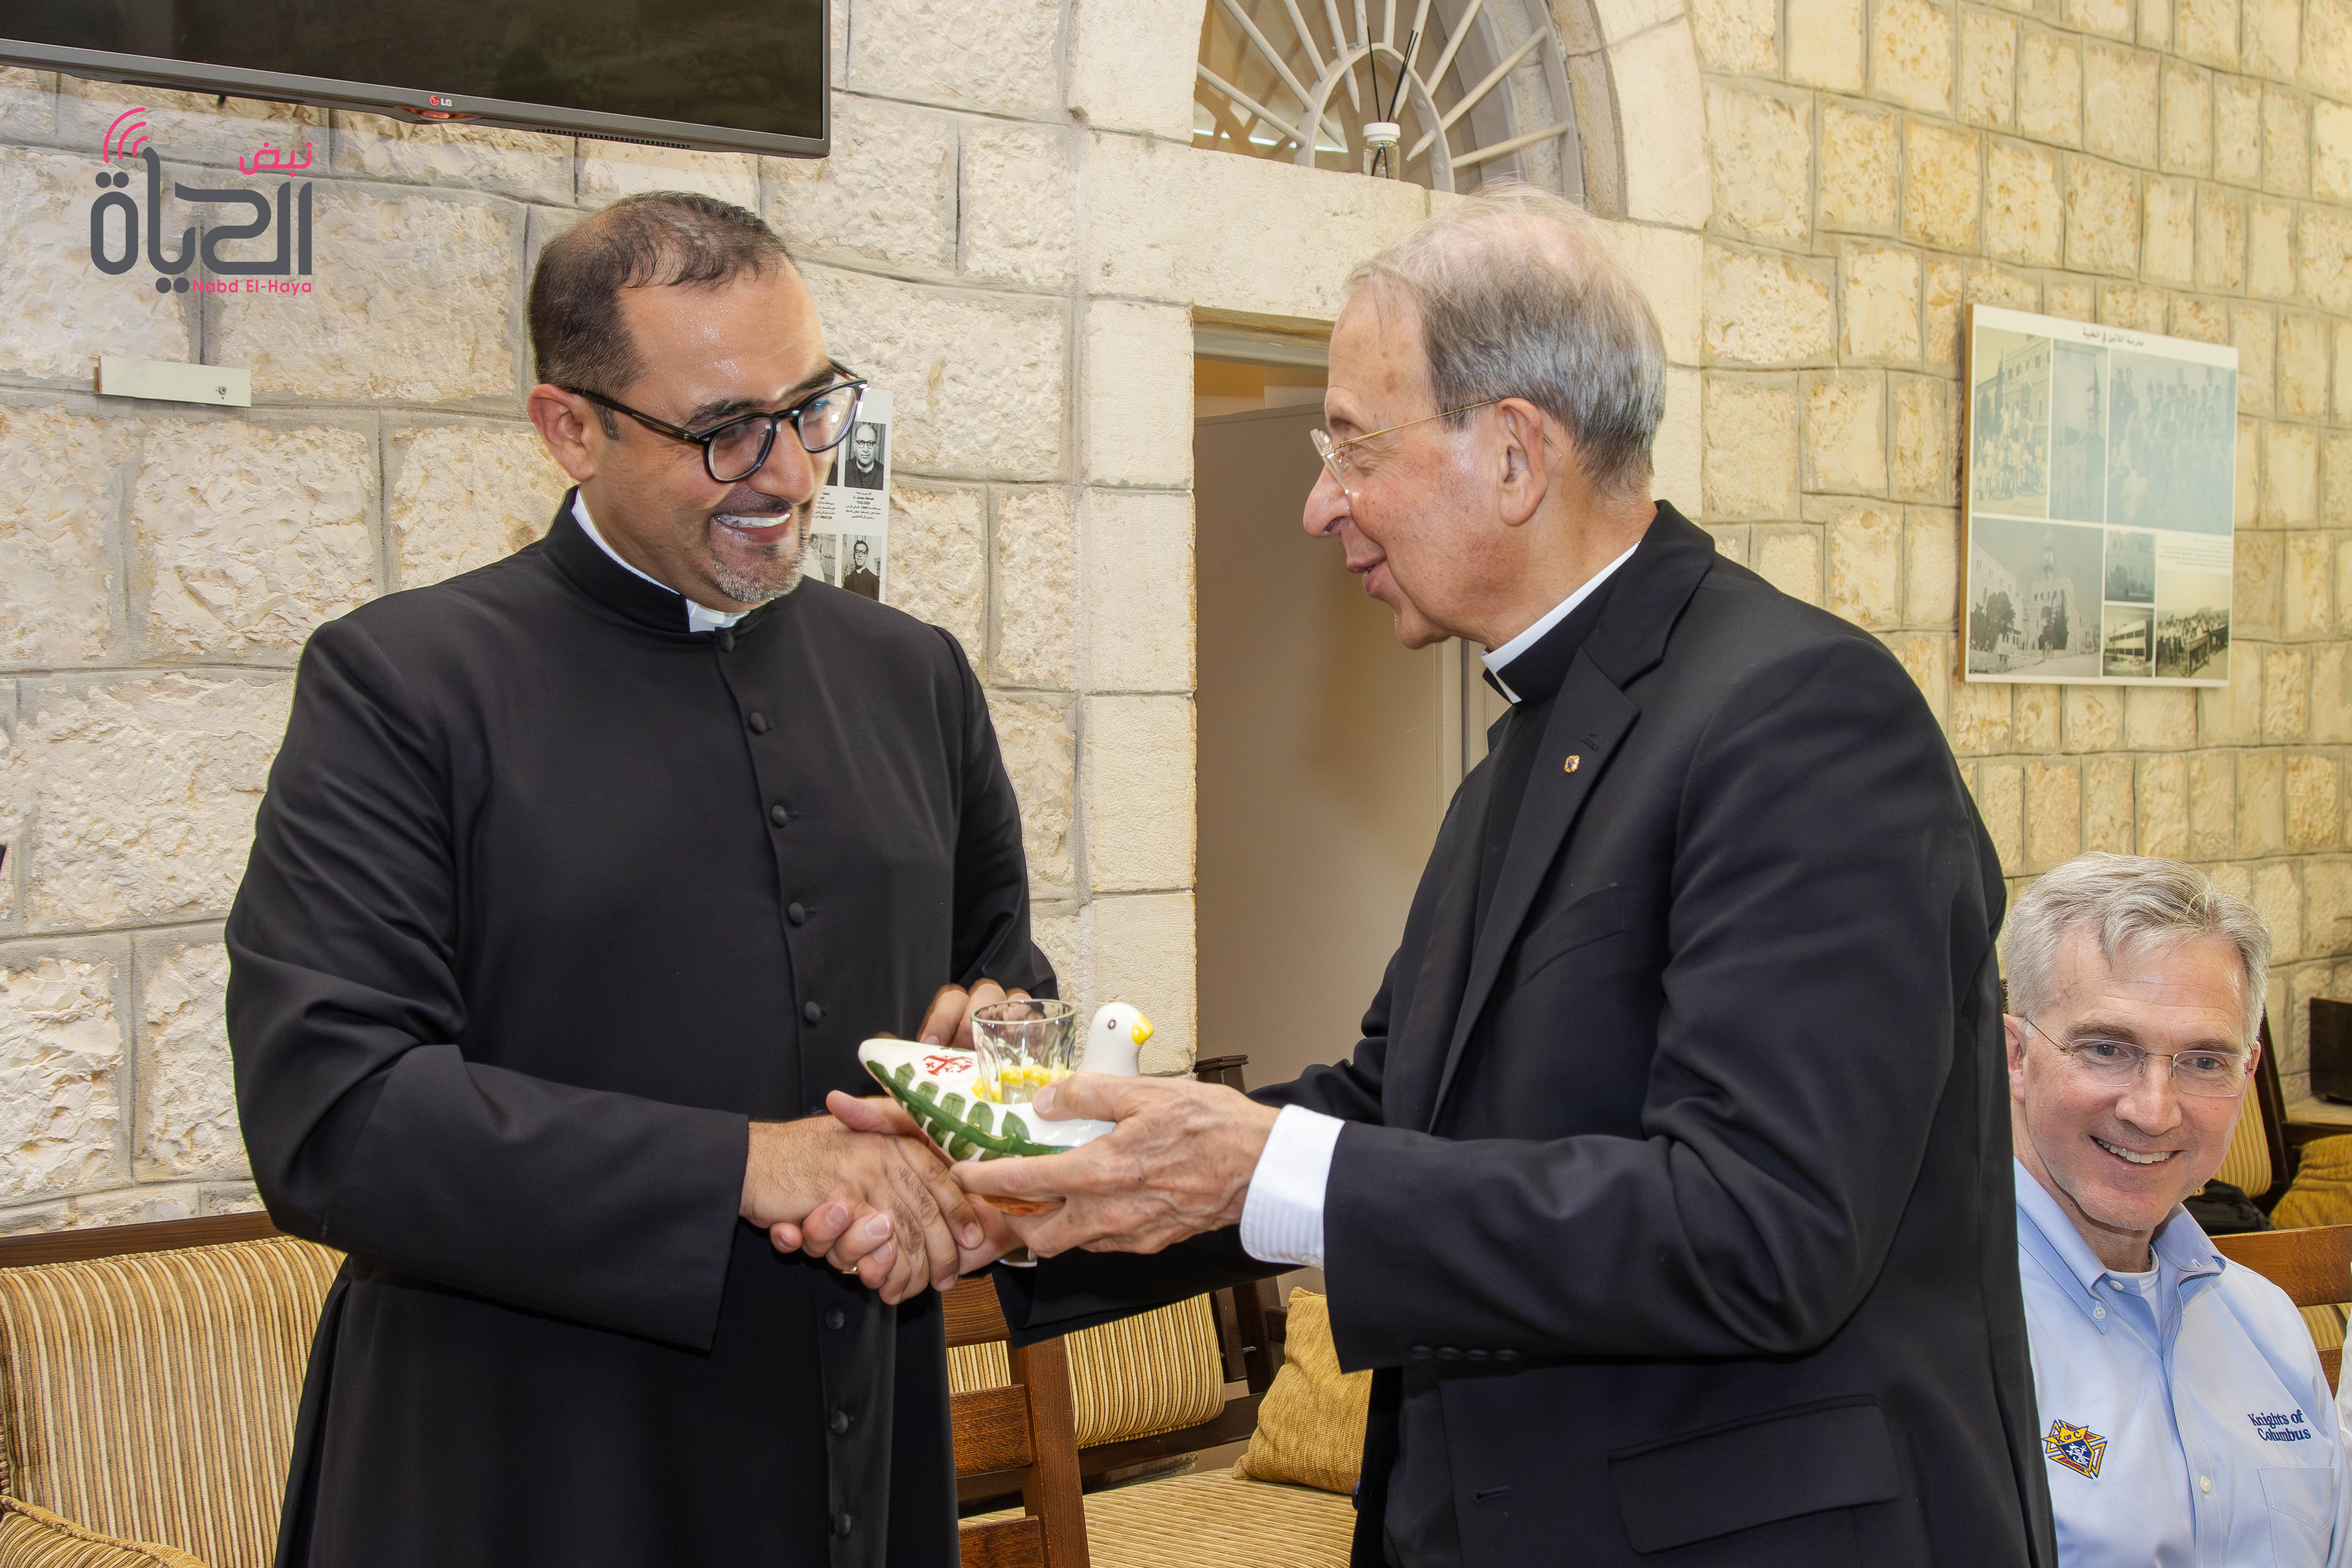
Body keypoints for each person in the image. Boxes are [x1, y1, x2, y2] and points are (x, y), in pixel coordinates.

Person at [829, 184, 2055, 1565]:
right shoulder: (1526, 753)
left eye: (1352, 444)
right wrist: (1041, 1177)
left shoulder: (1803, 715)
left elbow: (1760, 1228)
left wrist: (1268, 1165)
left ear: (1518, 454)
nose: (1316, 503)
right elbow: (1392, 1107)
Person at [225, 192, 1043, 1568]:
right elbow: (334, 1117)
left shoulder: (916, 679)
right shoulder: (403, 686)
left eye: (811, 409)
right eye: (724, 430)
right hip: (522, 1469)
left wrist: (990, 1081)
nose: (788, 473)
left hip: (855, 1451)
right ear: (570, 426)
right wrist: (751, 1162)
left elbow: (1008, 984)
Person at [2004, 854, 2348, 1565]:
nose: (2155, 1111)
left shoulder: (2271, 1331)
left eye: (2203, 1061)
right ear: (2014, 1054)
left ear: (2248, 1073)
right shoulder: (1936, 1336)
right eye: (2107, 1049)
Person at [840, 419, 887, 488]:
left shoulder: (884, 473)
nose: (866, 450)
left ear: (876, 448)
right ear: (854, 446)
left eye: (871, 443)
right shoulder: (843, 469)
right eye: (861, 443)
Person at [843, 535, 882, 599]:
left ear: (866, 556)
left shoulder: (874, 580)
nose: (860, 555)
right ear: (854, 555)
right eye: (857, 552)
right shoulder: (848, 579)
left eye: (863, 552)